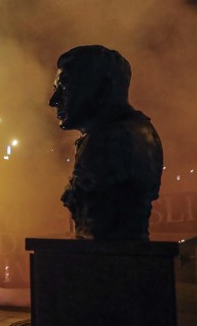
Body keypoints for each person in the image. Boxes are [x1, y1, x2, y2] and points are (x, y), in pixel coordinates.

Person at [48, 45, 163, 240]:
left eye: (65, 87)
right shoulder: (136, 131)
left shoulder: (110, 139)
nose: (54, 100)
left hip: (105, 264)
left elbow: (96, 223)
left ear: (102, 88)